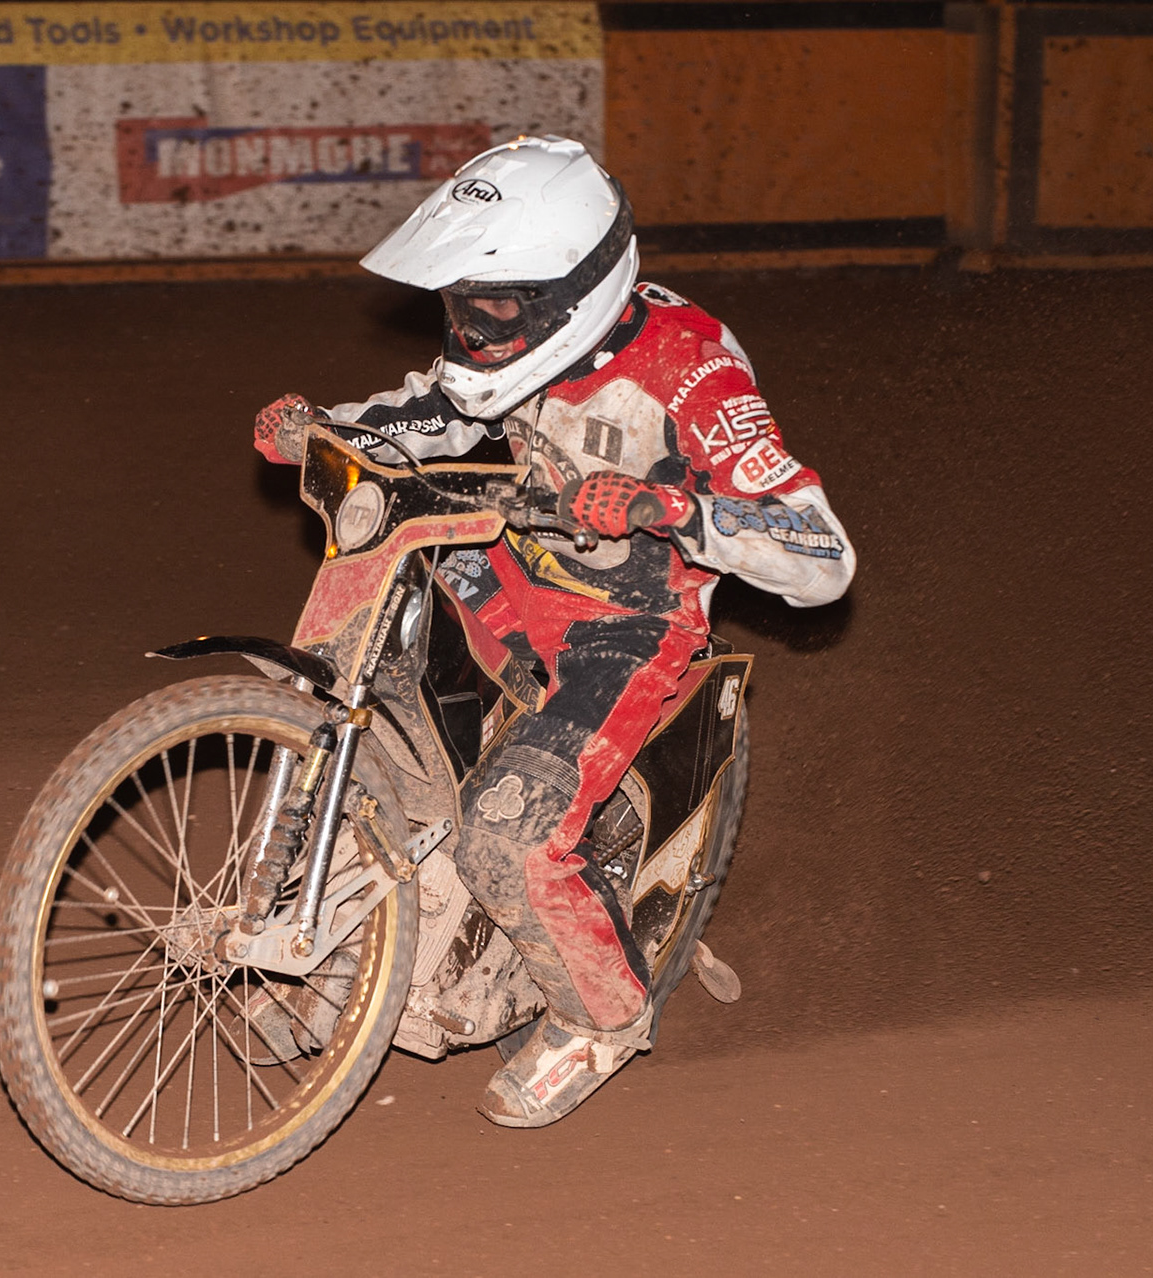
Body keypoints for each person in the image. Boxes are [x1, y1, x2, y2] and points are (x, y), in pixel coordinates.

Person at [251, 135, 856, 1128]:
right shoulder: (511, 348)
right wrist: (329, 430)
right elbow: (429, 415)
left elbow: (819, 553)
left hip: (627, 624)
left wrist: (670, 512)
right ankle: (339, 942)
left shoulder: (690, 368)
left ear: (569, 292)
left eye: (493, 307)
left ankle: (602, 1017)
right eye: (460, 303)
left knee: (506, 834)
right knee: (373, 702)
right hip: (502, 568)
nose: (470, 325)